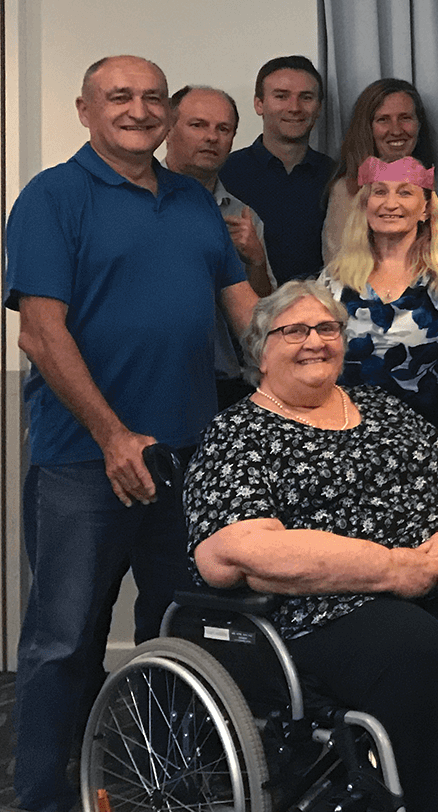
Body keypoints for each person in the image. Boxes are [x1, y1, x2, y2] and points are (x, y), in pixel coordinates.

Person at [185, 282, 438, 812]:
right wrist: (389, 568)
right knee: (426, 660)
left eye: (327, 328)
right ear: (261, 351)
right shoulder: (237, 435)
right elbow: (235, 551)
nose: (315, 341)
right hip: (329, 606)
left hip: (437, 570)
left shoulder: (376, 406)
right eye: (294, 331)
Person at [5, 55, 257, 812]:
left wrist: (317, 365)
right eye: (120, 96)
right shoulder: (52, 197)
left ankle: (166, 789)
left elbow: (249, 317)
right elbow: (41, 336)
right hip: (85, 460)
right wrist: (116, 436)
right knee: (64, 643)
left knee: (184, 630)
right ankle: (47, 799)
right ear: (85, 109)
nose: (139, 110)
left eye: (152, 97)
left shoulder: (192, 203)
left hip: (188, 458)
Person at [318, 156, 438, 464]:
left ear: (425, 209)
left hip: (429, 454)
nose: (390, 203)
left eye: (405, 192)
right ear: (365, 206)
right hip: (345, 452)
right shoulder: (335, 281)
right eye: (379, 192)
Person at [163, 84, 278, 410]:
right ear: (168, 129)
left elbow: (264, 317)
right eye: (198, 125)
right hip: (151, 379)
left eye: (223, 129)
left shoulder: (243, 216)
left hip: (225, 385)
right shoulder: (132, 200)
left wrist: (256, 262)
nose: (211, 137)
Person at [219, 55, 337, 281]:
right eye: (281, 96)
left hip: (318, 309)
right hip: (244, 309)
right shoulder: (226, 173)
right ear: (259, 104)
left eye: (306, 97)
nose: (294, 107)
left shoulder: (336, 176)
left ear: (319, 107)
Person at [322, 77, 435, 264]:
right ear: (367, 128)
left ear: (419, 124)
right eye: (383, 120)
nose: (396, 130)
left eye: (405, 118)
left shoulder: (433, 186)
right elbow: (339, 269)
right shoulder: (347, 190)